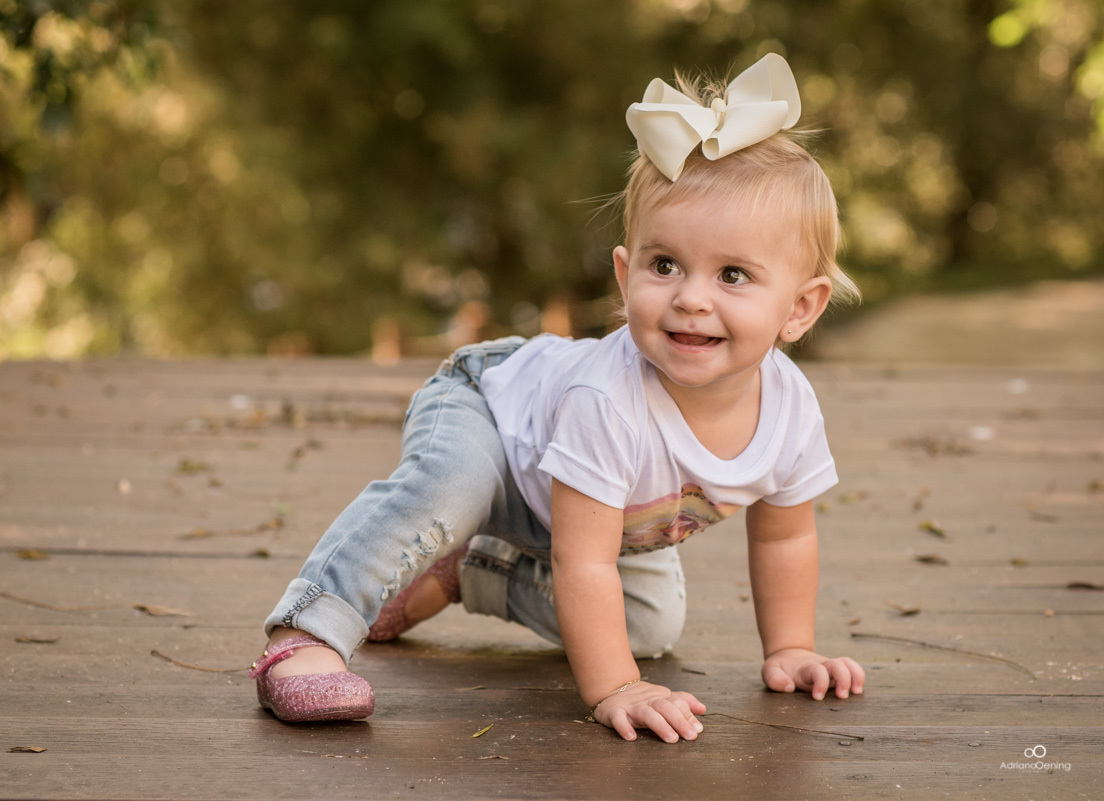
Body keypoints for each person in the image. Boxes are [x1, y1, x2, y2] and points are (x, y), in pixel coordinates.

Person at [248, 53, 866, 743]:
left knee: (648, 626)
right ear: (626, 273)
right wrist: (616, 687)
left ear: (801, 309)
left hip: (577, 516)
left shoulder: (790, 411)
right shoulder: (611, 397)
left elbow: (786, 535)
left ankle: (470, 571)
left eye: (732, 274)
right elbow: (585, 562)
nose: (691, 297)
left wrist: (789, 647)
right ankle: (308, 630)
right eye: (665, 265)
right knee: (454, 485)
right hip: (492, 414)